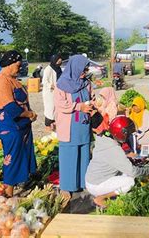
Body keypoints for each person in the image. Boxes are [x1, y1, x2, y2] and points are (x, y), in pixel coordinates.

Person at [0, 50, 37, 197]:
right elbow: (11, 108)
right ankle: (8, 195)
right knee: (12, 159)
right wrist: (29, 114)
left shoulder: (13, 78)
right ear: (9, 65)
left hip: (22, 126)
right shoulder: (1, 79)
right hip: (11, 127)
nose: (19, 68)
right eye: (17, 65)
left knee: (22, 156)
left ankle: (21, 183)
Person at [85, 115, 149, 207]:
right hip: (97, 184)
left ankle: (105, 195)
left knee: (126, 174)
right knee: (130, 181)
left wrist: (126, 157)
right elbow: (133, 172)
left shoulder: (105, 138)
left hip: (93, 179)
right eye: (129, 133)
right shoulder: (114, 149)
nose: (130, 136)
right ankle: (101, 198)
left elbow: (111, 157)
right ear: (122, 133)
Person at [54, 55, 94, 198]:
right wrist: (79, 107)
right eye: (83, 69)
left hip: (83, 125)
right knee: (69, 155)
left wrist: (94, 103)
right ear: (75, 68)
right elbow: (61, 105)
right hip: (69, 126)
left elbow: (91, 97)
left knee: (84, 154)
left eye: (86, 69)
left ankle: (84, 183)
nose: (85, 72)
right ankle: (67, 186)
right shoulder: (62, 84)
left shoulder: (86, 83)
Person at [42, 54, 62, 131]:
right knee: (50, 109)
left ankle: (55, 125)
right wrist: (52, 86)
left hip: (58, 92)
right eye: (58, 59)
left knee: (57, 108)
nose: (60, 61)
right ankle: (48, 126)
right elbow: (44, 81)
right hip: (50, 93)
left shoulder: (58, 69)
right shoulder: (48, 69)